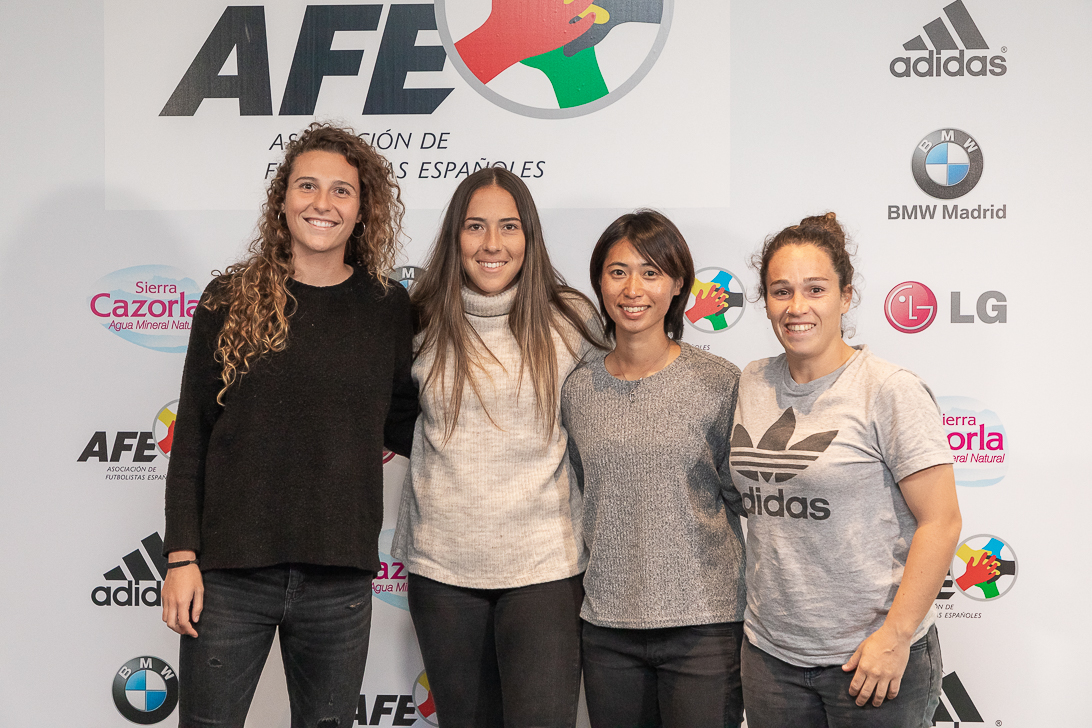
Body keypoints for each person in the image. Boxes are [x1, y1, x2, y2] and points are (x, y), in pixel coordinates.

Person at [161, 122, 418, 727]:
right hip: (229, 574)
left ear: (363, 209)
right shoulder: (229, 298)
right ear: (282, 200)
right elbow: (192, 435)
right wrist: (179, 558)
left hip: (339, 577)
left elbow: (405, 422)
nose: (322, 203)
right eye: (307, 186)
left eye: (341, 190)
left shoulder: (386, 306)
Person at [732, 212, 970, 728]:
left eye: (815, 289)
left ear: (845, 297)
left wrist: (895, 637)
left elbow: (942, 521)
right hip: (771, 658)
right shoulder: (752, 381)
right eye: (781, 291)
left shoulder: (888, 389)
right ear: (765, 301)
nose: (797, 307)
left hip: (871, 658)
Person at [391, 167, 603, 728]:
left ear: (529, 236)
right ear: (454, 236)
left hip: (545, 567)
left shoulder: (570, 317)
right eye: (475, 226)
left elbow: (603, 421)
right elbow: (392, 416)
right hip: (443, 570)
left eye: (509, 226)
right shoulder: (418, 318)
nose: (492, 244)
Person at [561, 210, 746, 728]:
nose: (632, 289)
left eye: (651, 272)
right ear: (599, 282)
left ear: (678, 284)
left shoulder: (719, 382)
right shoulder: (577, 388)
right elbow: (583, 493)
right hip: (608, 627)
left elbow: (741, 495)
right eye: (618, 272)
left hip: (705, 626)